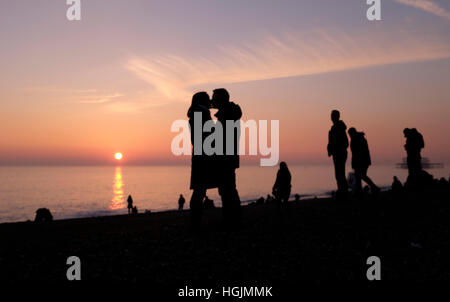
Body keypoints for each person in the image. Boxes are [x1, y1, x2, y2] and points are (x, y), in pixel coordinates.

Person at [212, 88, 242, 228]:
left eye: (214, 98)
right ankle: (232, 218)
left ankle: (231, 220)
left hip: (225, 158)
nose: (212, 101)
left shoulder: (226, 114)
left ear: (221, 99)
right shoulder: (229, 112)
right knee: (228, 189)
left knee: (227, 190)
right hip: (228, 158)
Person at [188, 92, 218, 228]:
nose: (210, 101)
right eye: (207, 99)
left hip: (201, 155)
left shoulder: (197, 112)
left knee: (200, 189)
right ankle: (195, 221)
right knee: (200, 189)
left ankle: (195, 220)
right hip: (203, 156)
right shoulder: (201, 113)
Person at [348, 127, 379, 194]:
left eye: (350, 134)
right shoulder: (358, 138)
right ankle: (361, 190)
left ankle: (373, 187)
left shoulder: (357, 139)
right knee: (359, 176)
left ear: (352, 133)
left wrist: (355, 163)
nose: (349, 135)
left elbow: (357, 152)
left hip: (361, 161)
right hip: (362, 161)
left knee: (361, 175)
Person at [327, 110, 349, 199]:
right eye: (331, 115)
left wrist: (335, 148)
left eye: (333, 115)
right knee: (339, 174)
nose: (331, 117)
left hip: (340, 153)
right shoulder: (334, 128)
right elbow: (331, 142)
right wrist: (330, 149)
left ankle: (343, 192)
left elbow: (345, 143)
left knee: (340, 173)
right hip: (336, 153)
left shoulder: (339, 128)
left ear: (337, 116)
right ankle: (342, 191)